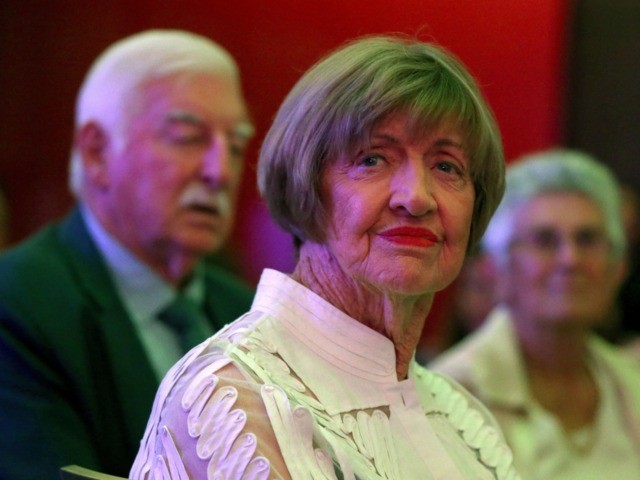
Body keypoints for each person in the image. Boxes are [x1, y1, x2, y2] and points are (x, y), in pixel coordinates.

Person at [131, 35, 521, 480]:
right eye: (373, 159)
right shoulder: (236, 395)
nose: (416, 197)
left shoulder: (464, 419)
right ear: (306, 184)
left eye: (447, 166)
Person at [0, 30, 255, 479]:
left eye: (235, 146)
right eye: (187, 137)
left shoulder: (249, 313)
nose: (220, 171)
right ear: (96, 152)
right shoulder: (17, 304)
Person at [430, 149, 640, 479]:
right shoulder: (450, 395)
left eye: (588, 239)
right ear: (497, 269)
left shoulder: (631, 385)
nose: (570, 259)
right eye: (544, 240)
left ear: (619, 267)